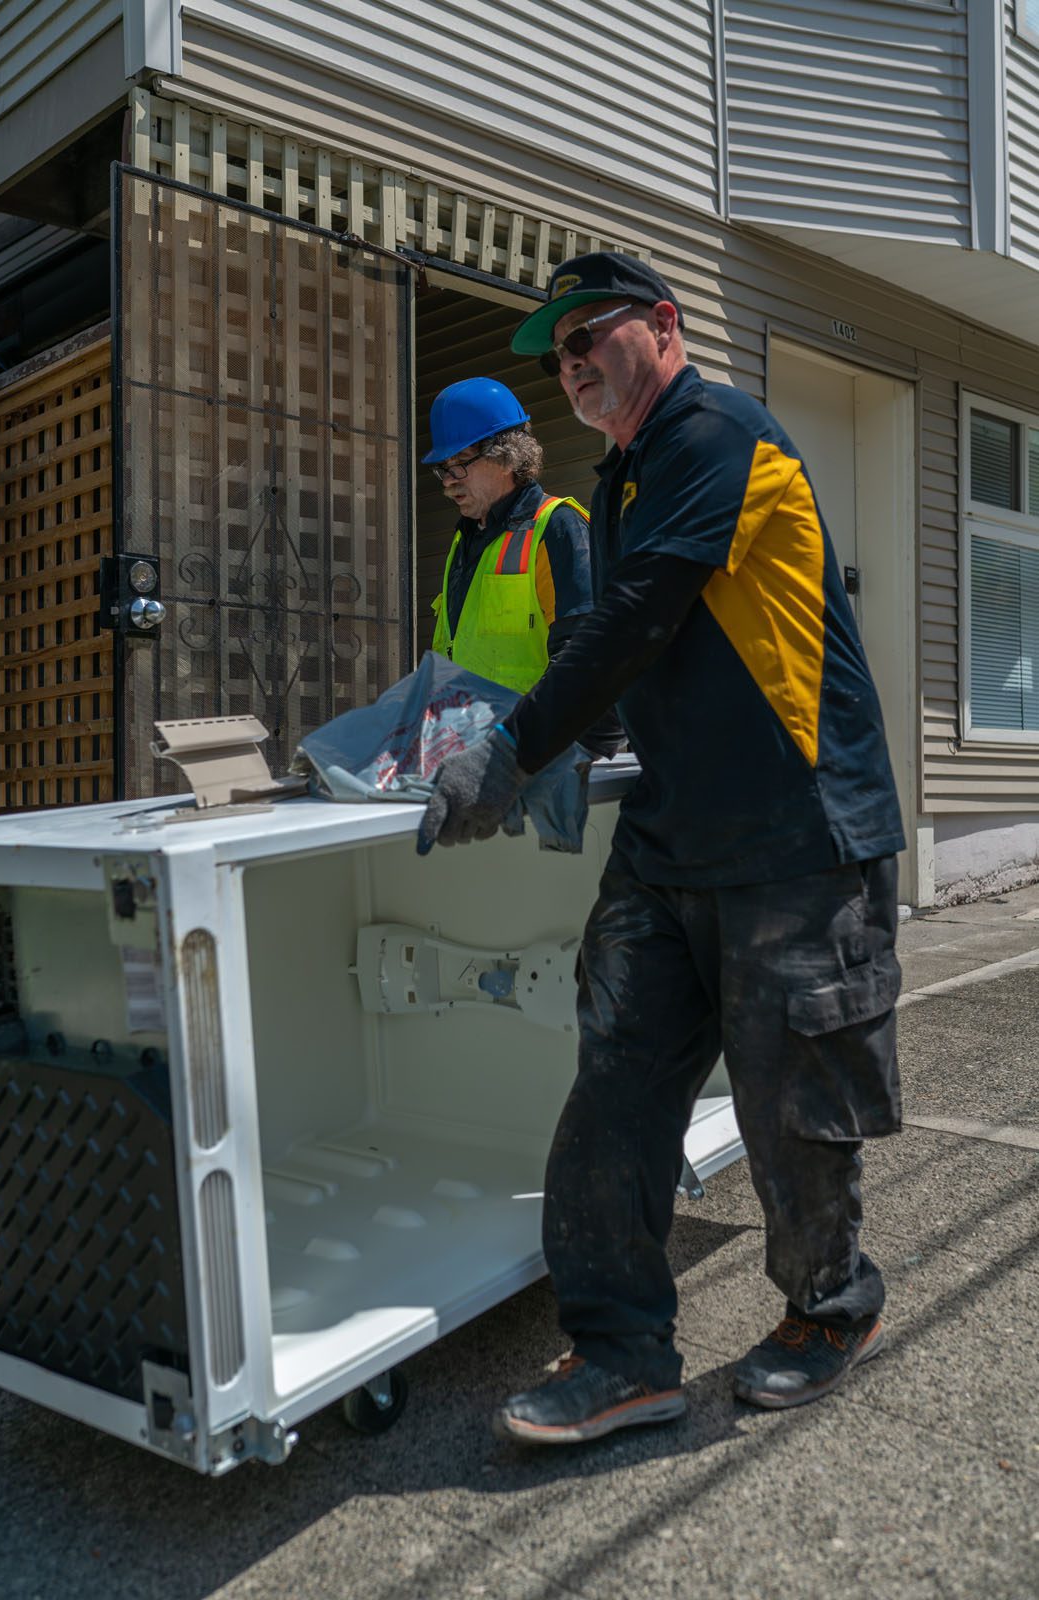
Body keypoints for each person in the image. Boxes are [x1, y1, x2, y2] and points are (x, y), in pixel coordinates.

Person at [416, 252, 905, 1446]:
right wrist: (572, 746)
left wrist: (514, 752)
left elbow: (633, 619)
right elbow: (638, 649)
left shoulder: (715, 434)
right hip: (670, 832)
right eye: (558, 353)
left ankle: (828, 1307)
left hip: (793, 829)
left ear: (664, 327)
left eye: (589, 334)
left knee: (790, 1104)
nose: (572, 363)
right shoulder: (625, 474)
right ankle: (621, 1352)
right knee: (615, 1086)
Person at [423, 378, 618, 758]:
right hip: (469, 754)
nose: (447, 483)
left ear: (506, 458)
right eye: (442, 469)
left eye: (458, 465)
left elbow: (583, 657)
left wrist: (524, 741)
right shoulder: (464, 542)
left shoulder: (558, 527)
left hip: (535, 757)